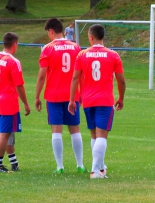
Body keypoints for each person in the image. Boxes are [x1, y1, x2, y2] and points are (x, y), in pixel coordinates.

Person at [68, 24, 126, 179]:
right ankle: (95, 171)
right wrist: (121, 97)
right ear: (103, 37)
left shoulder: (82, 55)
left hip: (88, 100)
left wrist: (72, 99)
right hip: (105, 100)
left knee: (94, 135)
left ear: (91, 37)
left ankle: (100, 167)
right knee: (101, 136)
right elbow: (121, 81)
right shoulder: (113, 55)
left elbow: (75, 78)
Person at [35, 18, 86, 174]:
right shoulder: (75, 47)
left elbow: (42, 76)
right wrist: (81, 92)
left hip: (54, 95)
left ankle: (60, 166)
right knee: (74, 129)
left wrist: (37, 96)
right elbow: (81, 73)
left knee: (56, 130)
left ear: (51, 31)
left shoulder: (48, 49)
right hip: (72, 95)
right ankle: (80, 165)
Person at [0, 32, 30, 173]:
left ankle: (14, 162)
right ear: (15, 44)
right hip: (8, 102)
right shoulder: (13, 62)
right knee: (5, 133)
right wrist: (26, 103)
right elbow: (19, 85)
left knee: (9, 132)